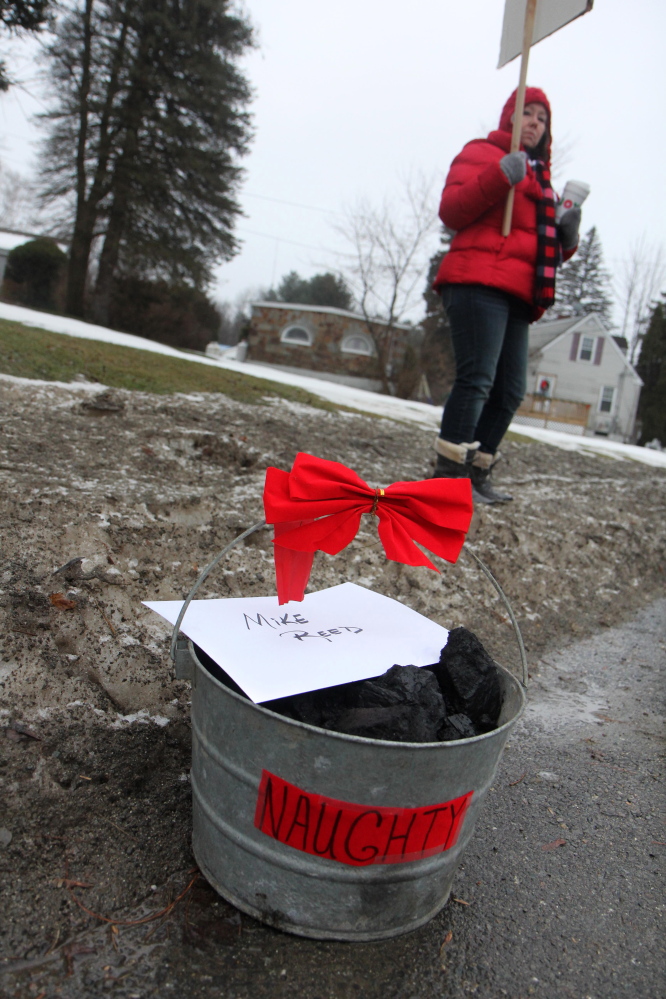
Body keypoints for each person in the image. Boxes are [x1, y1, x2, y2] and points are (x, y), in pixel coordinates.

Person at [432, 87, 581, 503]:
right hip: (476, 279)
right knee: (477, 379)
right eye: (527, 113)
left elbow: (542, 248)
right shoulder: (481, 153)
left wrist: (567, 236)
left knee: (511, 390)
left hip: (518, 293)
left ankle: (476, 473)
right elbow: (452, 210)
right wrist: (500, 175)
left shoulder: (541, 177)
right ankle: (448, 477)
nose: (535, 122)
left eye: (542, 118)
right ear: (509, 119)